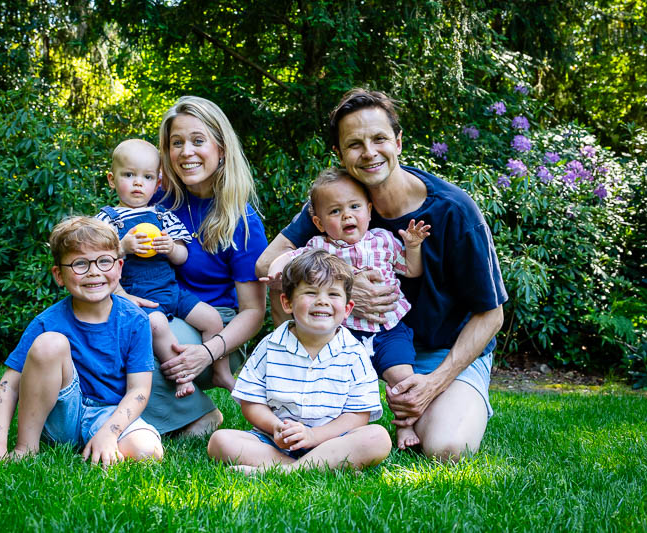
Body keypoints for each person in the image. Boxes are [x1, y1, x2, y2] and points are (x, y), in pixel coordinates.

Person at [257, 88, 508, 462]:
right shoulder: (337, 201)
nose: (369, 152)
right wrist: (344, 276)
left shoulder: (455, 210)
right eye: (354, 144)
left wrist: (436, 381)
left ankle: (417, 405)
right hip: (346, 347)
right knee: (284, 282)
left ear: (399, 142)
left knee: (448, 449)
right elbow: (267, 266)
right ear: (340, 155)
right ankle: (298, 391)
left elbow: (492, 313)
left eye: (379, 139)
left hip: (439, 353)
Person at [119, 96, 267, 437]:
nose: (186, 152)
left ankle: (198, 417)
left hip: (215, 329)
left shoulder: (242, 221)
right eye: (176, 143)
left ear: (221, 149)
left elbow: (254, 312)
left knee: (134, 347)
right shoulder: (154, 203)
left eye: (198, 141)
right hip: (158, 310)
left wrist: (208, 351)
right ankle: (172, 413)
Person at [265, 167, 430, 450]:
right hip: (344, 333)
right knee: (338, 383)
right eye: (335, 211)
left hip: (389, 329)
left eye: (354, 207)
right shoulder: (319, 247)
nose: (347, 216)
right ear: (318, 222)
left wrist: (412, 247)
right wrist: (276, 268)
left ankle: (405, 426)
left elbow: (412, 271)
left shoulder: (383, 240)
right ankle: (336, 431)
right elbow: (290, 256)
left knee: (402, 377)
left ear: (368, 210)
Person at [0, 216, 163, 468]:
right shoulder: (47, 323)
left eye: (104, 261)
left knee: (147, 452)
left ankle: (101, 443)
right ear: (59, 275)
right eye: (80, 264)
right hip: (61, 415)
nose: (94, 271)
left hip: (108, 414)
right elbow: (9, 386)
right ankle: (27, 448)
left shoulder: (136, 321)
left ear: (119, 267)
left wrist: (109, 432)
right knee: (50, 344)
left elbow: (139, 390)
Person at [208, 250, 391, 473]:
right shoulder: (271, 346)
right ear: (287, 303)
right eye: (311, 293)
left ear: (347, 308)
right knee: (220, 442)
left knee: (377, 437)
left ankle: (286, 471)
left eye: (333, 294)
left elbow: (358, 415)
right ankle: (311, 467)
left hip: (333, 441)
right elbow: (251, 401)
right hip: (277, 441)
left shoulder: (354, 353)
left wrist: (314, 435)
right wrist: (276, 427)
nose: (322, 301)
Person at [96, 139, 227, 398]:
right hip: (139, 298)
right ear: (112, 180)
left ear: (157, 184)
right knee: (156, 325)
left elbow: (182, 256)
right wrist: (123, 246)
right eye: (129, 175)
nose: (137, 183)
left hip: (171, 291)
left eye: (146, 177)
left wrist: (170, 247)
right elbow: (99, 260)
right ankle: (181, 377)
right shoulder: (106, 220)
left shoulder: (162, 216)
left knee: (212, 318)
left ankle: (221, 370)